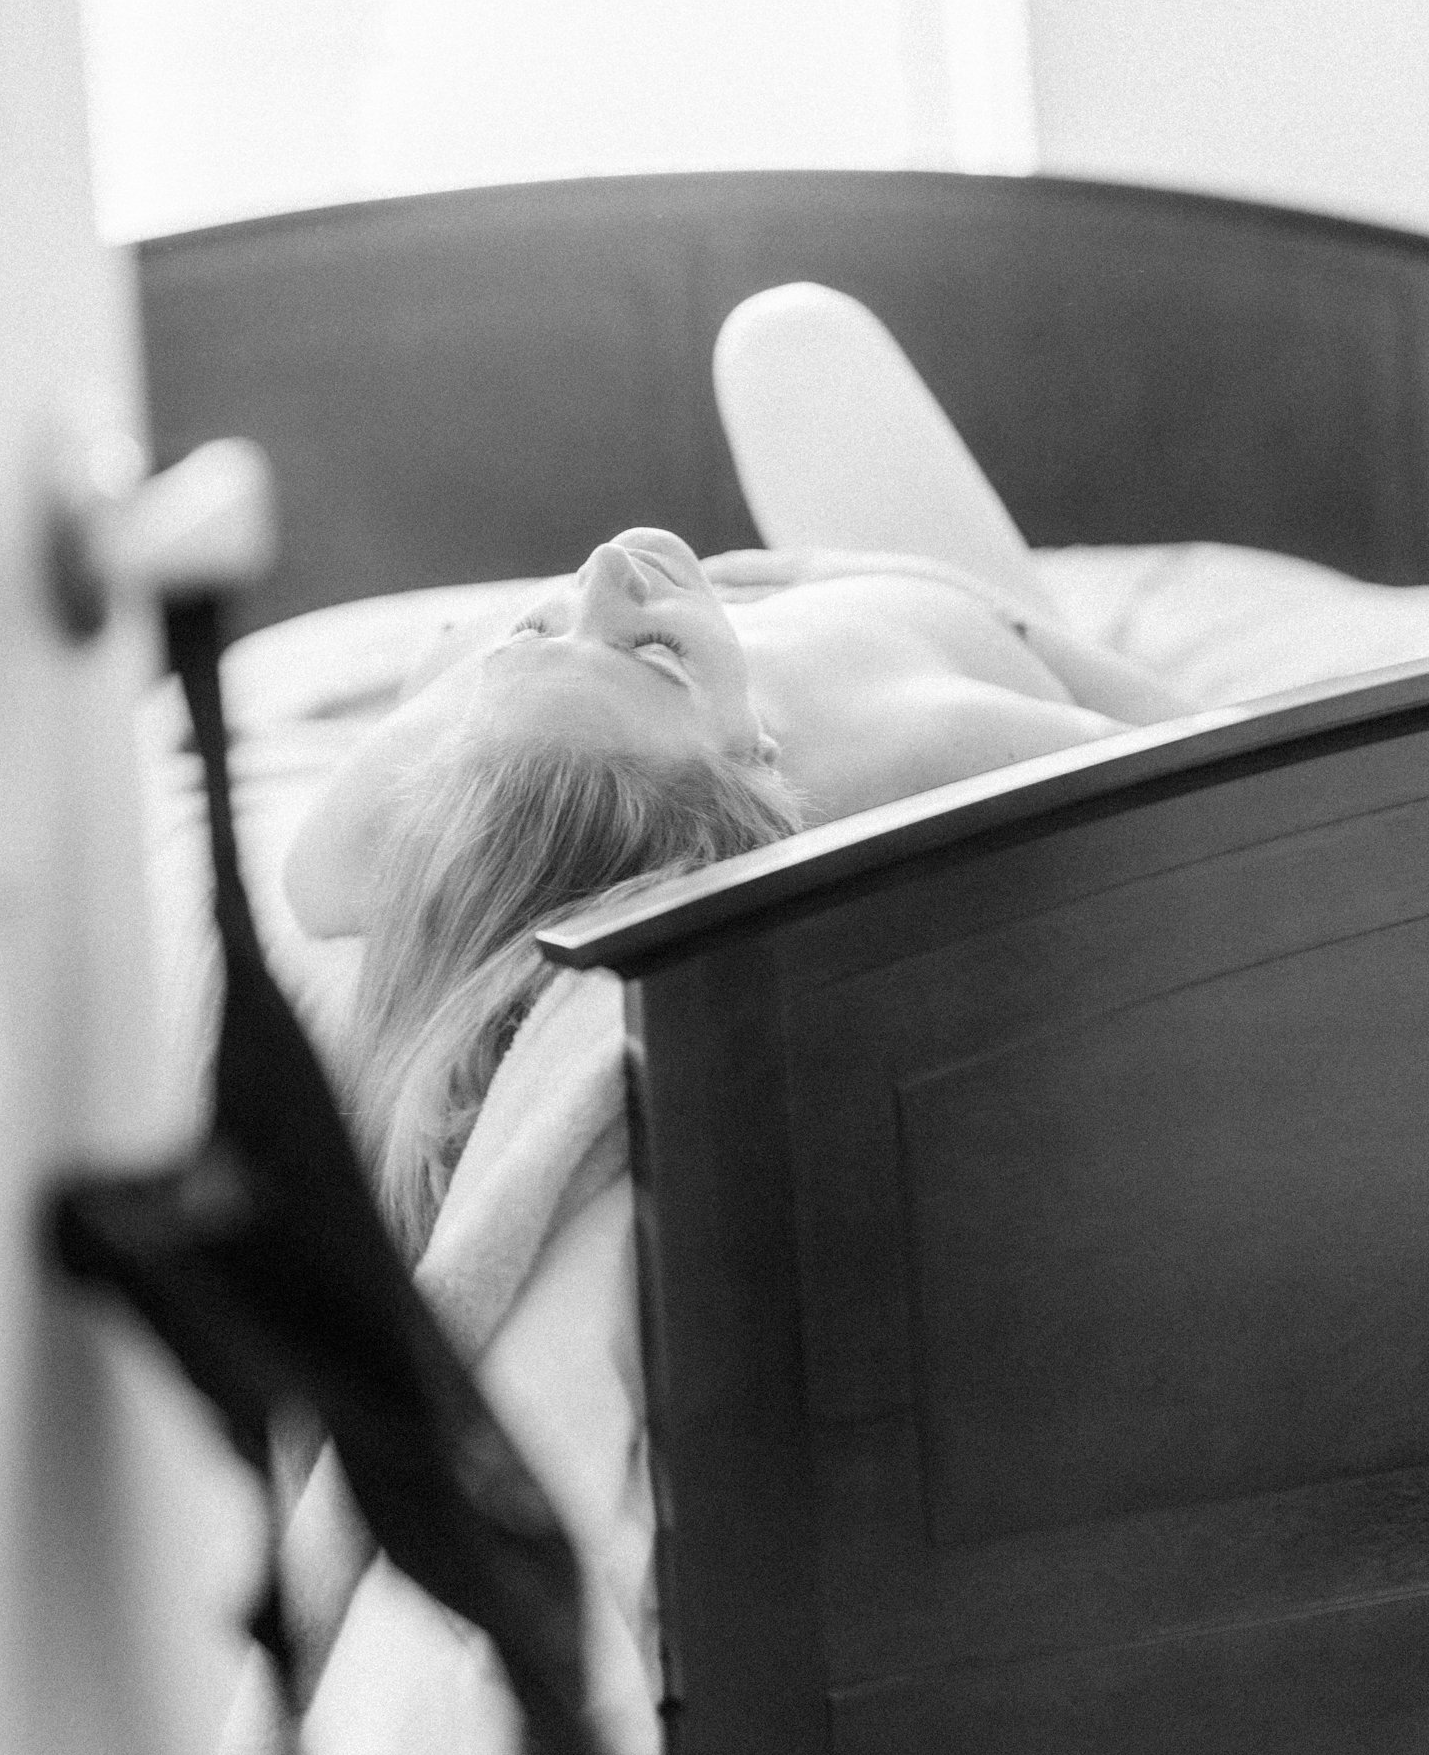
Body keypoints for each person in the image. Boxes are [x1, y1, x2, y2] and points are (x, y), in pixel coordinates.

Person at [285, 285, 1191, 1257]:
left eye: (546, 620)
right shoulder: (936, 737)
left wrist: (507, 655)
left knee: (775, 337)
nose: (601, 570)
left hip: (701, 663)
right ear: (751, 762)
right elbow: (1197, 746)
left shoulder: (470, 752)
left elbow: (314, 880)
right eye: (656, 654)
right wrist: (858, 579)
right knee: (791, 329)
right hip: (946, 600)